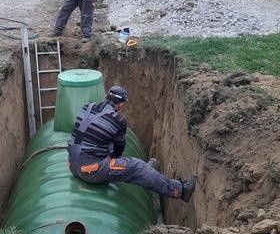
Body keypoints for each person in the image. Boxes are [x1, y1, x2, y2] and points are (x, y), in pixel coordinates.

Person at [67, 85, 197, 201]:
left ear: (106, 97)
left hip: (72, 164)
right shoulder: (118, 120)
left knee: (110, 150)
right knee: (137, 167)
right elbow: (119, 149)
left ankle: (150, 172)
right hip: (91, 171)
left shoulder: (87, 107)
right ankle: (180, 190)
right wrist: (117, 162)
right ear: (121, 104)